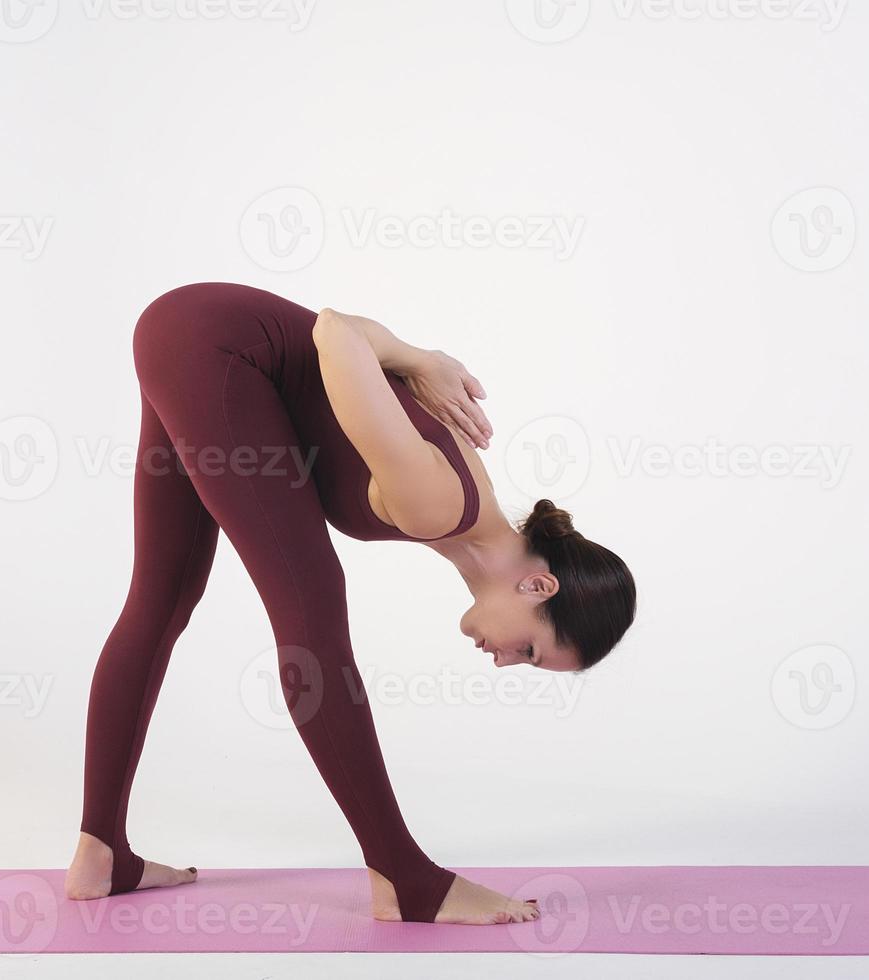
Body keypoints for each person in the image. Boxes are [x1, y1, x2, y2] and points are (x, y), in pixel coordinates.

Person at [66, 282, 636, 924]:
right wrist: (421, 357)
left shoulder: (463, 507)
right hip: (217, 346)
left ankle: (102, 851)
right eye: (531, 651)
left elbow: (339, 351)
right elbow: (335, 330)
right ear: (538, 587)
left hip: (193, 334)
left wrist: (413, 361)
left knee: (163, 596)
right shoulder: (440, 504)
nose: (506, 662)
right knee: (309, 603)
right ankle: (404, 877)